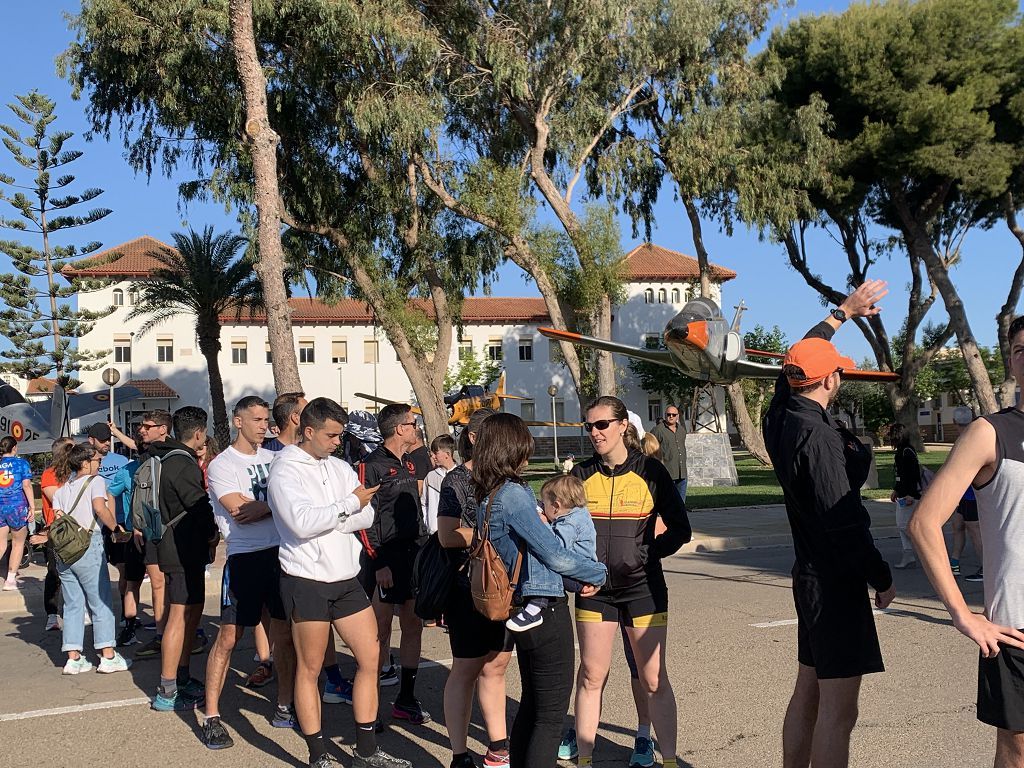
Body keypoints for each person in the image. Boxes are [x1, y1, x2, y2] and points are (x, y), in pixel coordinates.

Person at [762, 280, 895, 768]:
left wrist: (843, 312)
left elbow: (797, 357)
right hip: (834, 582)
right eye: (838, 371)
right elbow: (845, 523)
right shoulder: (818, 437)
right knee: (839, 712)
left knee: (808, 693)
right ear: (830, 380)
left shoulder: (780, 412)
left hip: (810, 576)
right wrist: (879, 575)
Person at [268, 397, 411, 768]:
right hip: (306, 581)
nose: (337, 441)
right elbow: (301, 523)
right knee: (310, 669)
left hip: (346, 579)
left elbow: (367, 514)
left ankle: (366, 750)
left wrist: (337, 513)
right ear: (309, 431)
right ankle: (318, 754)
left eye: (340, 435)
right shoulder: (285, 470)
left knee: (371, 658)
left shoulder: (340, 466)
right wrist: (346, 506)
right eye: (331, 435)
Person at [909, 314, 1024, 768]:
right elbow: (924, 523)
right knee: (1017, 751)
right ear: (1012, 363)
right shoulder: (990, 433)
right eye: (1020, 351)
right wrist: (963, 616)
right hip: (1016, 629)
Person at [473, 413, 608, 768]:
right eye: (525, 448)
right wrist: (598, 572)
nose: (528, 455)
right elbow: (555, 555)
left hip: (516, 606)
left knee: (533, 706)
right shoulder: (515, 495)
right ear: (511, 448)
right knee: (549, 716)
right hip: (543, 610)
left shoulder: (489, 493)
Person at [562, 396, 691, 768]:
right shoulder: (581, 475)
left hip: (642, 588)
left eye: (602, 424)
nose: (595, 432)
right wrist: (576, 574)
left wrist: (645, 554)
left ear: (622, 426)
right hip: (595, 592)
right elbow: (561, 536)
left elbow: (681, 529)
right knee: (590, 675)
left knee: (654, 680)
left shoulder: (651, 472)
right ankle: (584, 760)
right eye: (589, 426)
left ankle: (668, 761)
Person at [200, 396, 297, 749]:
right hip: (244, 558)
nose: (263, 425)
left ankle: (285, 706)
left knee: (284, 636)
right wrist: (277, 506)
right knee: (228, 637)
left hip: (280, 555)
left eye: (266, 419)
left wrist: (265, 507)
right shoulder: (221, 465)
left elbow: (293, 504)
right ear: (238, 422)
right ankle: (212, 716)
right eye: (256, 419)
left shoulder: (276, 458)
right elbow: (238, 510)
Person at [438, 407, 514, 768]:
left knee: (497, 665)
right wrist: (488, 536)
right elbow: (446, 534)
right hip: (466, 585)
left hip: (503, 588)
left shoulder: (506, 479)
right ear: (474, 438)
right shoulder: (455, 480)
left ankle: (498, 745)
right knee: (466, 668)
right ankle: (459, 754)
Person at [358, 404, 430, 723]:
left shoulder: (412, 462)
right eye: (413, 424)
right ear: (400, 428)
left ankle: (405, 699)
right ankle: (369, 709)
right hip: (385, 560)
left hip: (414, 556)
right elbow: (364, 520)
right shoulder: (371, 465)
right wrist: (379, 563)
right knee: (380, 633)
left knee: (413, 626)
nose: (417, 428)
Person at [151, 406, 220, 712]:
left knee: (190, 612)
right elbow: (198, 505)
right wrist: (212, 534)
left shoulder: (164, 457)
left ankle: (180, 676)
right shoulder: (183, 463)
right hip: (182, 548)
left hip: (176, 546)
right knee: (179, 615)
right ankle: (167, 690)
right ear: (198, 433)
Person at [52, 442, 131, 675]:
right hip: (89, 544)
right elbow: (100, 508)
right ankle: (107, 655)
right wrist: (116, 528)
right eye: (97, 460)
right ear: (85, 463)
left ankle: (73, 657)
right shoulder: (95, 482)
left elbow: (59, 520)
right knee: (100, 601)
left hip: (65, 551)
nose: (100, 463)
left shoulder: (61, 490)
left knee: (73, 603)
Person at [506, 474, 596, 632]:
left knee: (542, 557)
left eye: (544, 503)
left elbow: (554, 547)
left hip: (576, 573)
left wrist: (544, 524)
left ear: (556, 505)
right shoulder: (575, 513)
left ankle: (536, 606)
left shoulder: (572, 522)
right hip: (575, 569)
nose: (543, 507)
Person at [86, 422, 145, 646]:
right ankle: (99, 616)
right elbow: (111, 492)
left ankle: (126, 617)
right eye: (102, 440)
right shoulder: (86, 461)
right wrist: (111, 519)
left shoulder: (122, 462)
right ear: (91, 439)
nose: (106, 444)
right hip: (107, 524)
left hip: (124, 526)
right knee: (102, 571)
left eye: (108, 439)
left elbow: (136, 446)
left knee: (126, 572)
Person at [131, 411, 172, 660]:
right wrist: (137, 524)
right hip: (150, 529)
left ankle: (186, 631)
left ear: (163, 429)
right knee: (157, 582)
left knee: (176, 582)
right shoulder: (145, 455)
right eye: (141, 426)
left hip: (173, 528)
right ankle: (160, 634)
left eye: (148, 426)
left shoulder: (175, 454)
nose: (142, 430)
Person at [35, 437, 74, 631]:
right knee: (54, 573)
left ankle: (77, 611)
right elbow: (57, 498)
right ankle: (52, 614)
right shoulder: (49, 474)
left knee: (77, 572)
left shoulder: (76, 473)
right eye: (73, 449)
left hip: (76, 530)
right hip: (56, 530)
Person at [0, 435, 35, 591]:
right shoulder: (21, 463)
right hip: (17, 506)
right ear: (14, 448)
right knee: (18, 542)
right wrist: (32, 507)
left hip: (1, 506)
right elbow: (26, 485)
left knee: (0, 543)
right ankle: (10, 579)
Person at [890, 422, 921, 570]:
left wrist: (910, 493)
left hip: (909, 495)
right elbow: (901, 475)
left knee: (904, 525)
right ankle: (909, 553)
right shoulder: (904, 451)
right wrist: (897, 489)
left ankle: (914, 552)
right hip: (903, 493)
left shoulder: (906, 452)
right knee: (903, 525)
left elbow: (912, 475)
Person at [649, 405, 687, 501]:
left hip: (682, 473)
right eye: (668, 414)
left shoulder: (681, 430)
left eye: (673, 415)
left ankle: (679, 516)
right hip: (667, 472)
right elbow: (649, 448)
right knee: (667, 502)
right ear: (665, 415)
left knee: (680, 503)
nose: (671, 416)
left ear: (677, 416)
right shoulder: (658, 430)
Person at [422, 434, 456, 535]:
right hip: (435, 534)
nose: (432, 456)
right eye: (431, 452)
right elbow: (424, 503)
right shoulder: (430, 476)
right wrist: (429, 525)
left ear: (447, 454)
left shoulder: (460, 476)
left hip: (456, 533)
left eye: (436, 452)